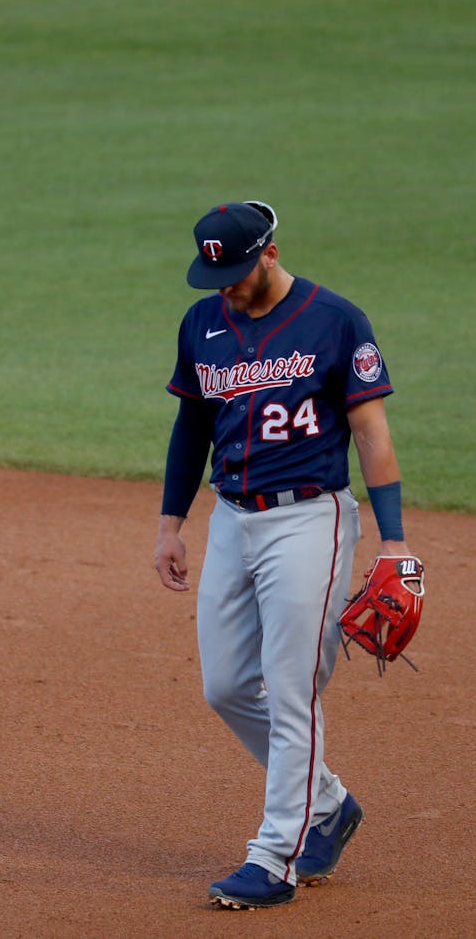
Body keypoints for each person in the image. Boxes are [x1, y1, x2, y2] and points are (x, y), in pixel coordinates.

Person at [152, 200, 420, 907]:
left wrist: (394, 542)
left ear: (270, 253)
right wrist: (171, 522)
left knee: (292, 685)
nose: (227, 287)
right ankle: (326, 800)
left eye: (238, 272)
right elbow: (192, 425)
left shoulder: (336, 321)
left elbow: (372, 433)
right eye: (216, 275)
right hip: (233, 522)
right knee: (227, 685)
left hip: (311, 522)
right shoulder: (203, 323)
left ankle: (275, 856)